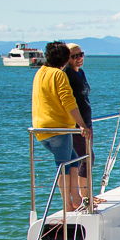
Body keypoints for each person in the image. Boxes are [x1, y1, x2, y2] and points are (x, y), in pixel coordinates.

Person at [31, 41, 90, 210]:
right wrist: (82, 125)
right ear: (64, 59)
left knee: (73, 160)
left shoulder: (40, 73)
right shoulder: (58, 75)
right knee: (62, 166)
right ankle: (67, 205)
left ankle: (77, 199)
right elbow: (69, 102)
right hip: (58, 128)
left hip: (40, 129)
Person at [64, 44, 94, 210]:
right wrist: (80, 124)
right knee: (84, 157)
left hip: (86, 121)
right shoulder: (66, 74)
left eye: (80, 54)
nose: (79, 58)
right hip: (78, 125)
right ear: (67, 58)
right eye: (74, 56)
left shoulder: (80, 72)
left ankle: (87, 194)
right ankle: (84, 197)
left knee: (88, 157)